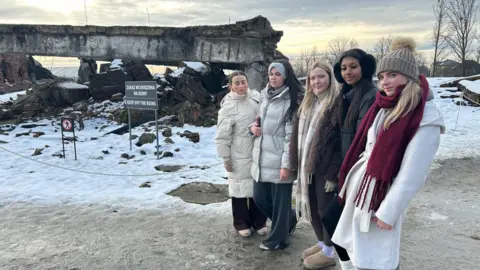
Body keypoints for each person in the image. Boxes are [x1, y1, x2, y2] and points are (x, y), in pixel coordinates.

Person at [331, 37, 446, 270]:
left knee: (376, 259)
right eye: (382, 76)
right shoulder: (385, 105)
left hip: (381, 195)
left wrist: (388, 212)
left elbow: (413, 173)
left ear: (409, 76)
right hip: (362, 189)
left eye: (392, 75)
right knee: (350, 246)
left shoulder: (424, 117)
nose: (385, 82)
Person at [321, 48, 378, 270]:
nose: (348, 72)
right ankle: (350, 265)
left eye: (353, 67)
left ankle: (352, 265)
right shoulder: (347, 95)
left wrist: (351, 173)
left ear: (364, 68)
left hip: (359, 170)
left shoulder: (369, 96)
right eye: (343, 68)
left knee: (334, 219)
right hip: (347, 169)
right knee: (338, 222)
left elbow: (362, 138)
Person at [289, 60, 342, 269]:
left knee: (324, 209)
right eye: (313, 78)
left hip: (325, 168)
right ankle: (321, 244)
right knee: (310, 207)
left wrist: (333, 173)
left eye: (321, 76)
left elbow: (340, 143)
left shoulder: (336, 104)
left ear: (329, 77)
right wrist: (293, 163)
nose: (316, 81)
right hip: (306, 167)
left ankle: (329, 252)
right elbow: (295, 137)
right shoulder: (307, 104)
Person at [250, 59, 303, 250]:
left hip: (281, 158)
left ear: (286, 76)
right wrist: (253, 128)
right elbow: (259, 121)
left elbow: (291, 137)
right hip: (262, 157)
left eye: (277, 74)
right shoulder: (265, 96)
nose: (273, 77)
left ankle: (278, 239)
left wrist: (286, 164)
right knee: (259, 197)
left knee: (280, 203)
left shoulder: (292, 100)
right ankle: (288, 220)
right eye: (271, 74)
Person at [215, 71, 268, 237]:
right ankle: (241, 222)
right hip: (238, 153)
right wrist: (225, 157)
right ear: (230, 86)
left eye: (243, 82)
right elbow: (222, 136)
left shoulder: (257, 99)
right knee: (238, 190)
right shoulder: (228, 107)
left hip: (258, 151)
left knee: (257, 189)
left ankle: (259, 221)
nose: (240, 86)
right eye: (236, 83)